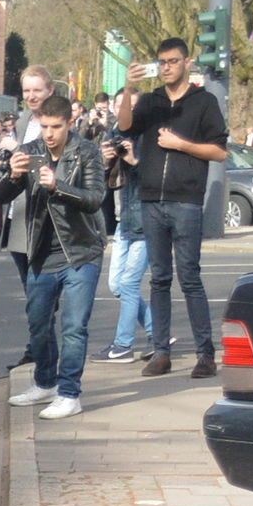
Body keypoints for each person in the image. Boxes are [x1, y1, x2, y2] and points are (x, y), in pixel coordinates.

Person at [116, 37, 228, 377]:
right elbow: (124, 126)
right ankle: (160, 353)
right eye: (162, 62)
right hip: (151, 200)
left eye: (173, 61)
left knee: (190, 278)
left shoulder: (204, 102)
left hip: (186, 200)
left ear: (187, 63)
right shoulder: (150, 101)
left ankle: (205, 354)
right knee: (159, 279)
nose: (167, 67)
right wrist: (127, 88)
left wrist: (181, 144)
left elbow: (220, 151)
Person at [0, 95, 107, 422]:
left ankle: (69, 393)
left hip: (81, 251)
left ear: (69, 124)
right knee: (38, 322)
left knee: (74, 326)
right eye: (44, 126)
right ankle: (45, 382)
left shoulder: (86, 152)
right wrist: (14, 176)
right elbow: (2, 197)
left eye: (55, 127)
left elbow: (94, 199)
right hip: (41, 253)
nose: (49, 133)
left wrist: (58, 186)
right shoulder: (30, 150)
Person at [0, 67, 54, 285]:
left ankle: (43, 316)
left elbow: (47, 161)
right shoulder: (23, 121)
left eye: (37, 90)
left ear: (50, 90)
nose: (31, 96)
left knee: (41, 285)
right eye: (26, 91)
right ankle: (40, 317)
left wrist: (16, 147)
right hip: (18, 211)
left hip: (42, 212)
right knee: (28, 283)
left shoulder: (56, 122)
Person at [100, 131, 151, 363]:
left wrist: (135, 161)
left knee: (129, 284)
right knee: (116, 284)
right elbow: (103, 187)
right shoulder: (113, 138)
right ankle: (157, 332)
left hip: (146, 224)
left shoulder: (149, 140)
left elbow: (156, 181)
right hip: (123, 224)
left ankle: (122, 345)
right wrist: (106, 161)